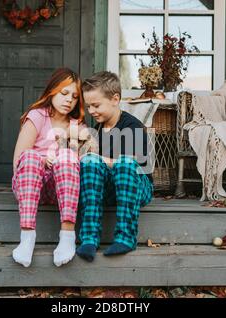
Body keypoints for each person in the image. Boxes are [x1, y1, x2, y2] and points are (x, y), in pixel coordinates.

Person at [76, 71, 154, 262]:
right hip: (111, 190)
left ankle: (125, 237)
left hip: (137, 187)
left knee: (124, 163)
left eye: (96, 105)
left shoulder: (131, 126)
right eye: (88, 106)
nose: (92, 111)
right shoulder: (99, 128)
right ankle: (89, 238)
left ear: (115, 99)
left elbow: (134, 163)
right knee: (90, 163)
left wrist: (98, 157)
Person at [12, 68, 85, 267]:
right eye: (64, 93)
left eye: (75, 96)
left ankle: (67, 236)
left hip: (61, 190)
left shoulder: (76, 125)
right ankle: (27, 238)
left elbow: (82, 160)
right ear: (52, 91)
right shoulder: (37, 117)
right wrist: (44, 161)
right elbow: (18, 161)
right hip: (29, 185)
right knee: (29, 156)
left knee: (69, 156)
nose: (69, 100)